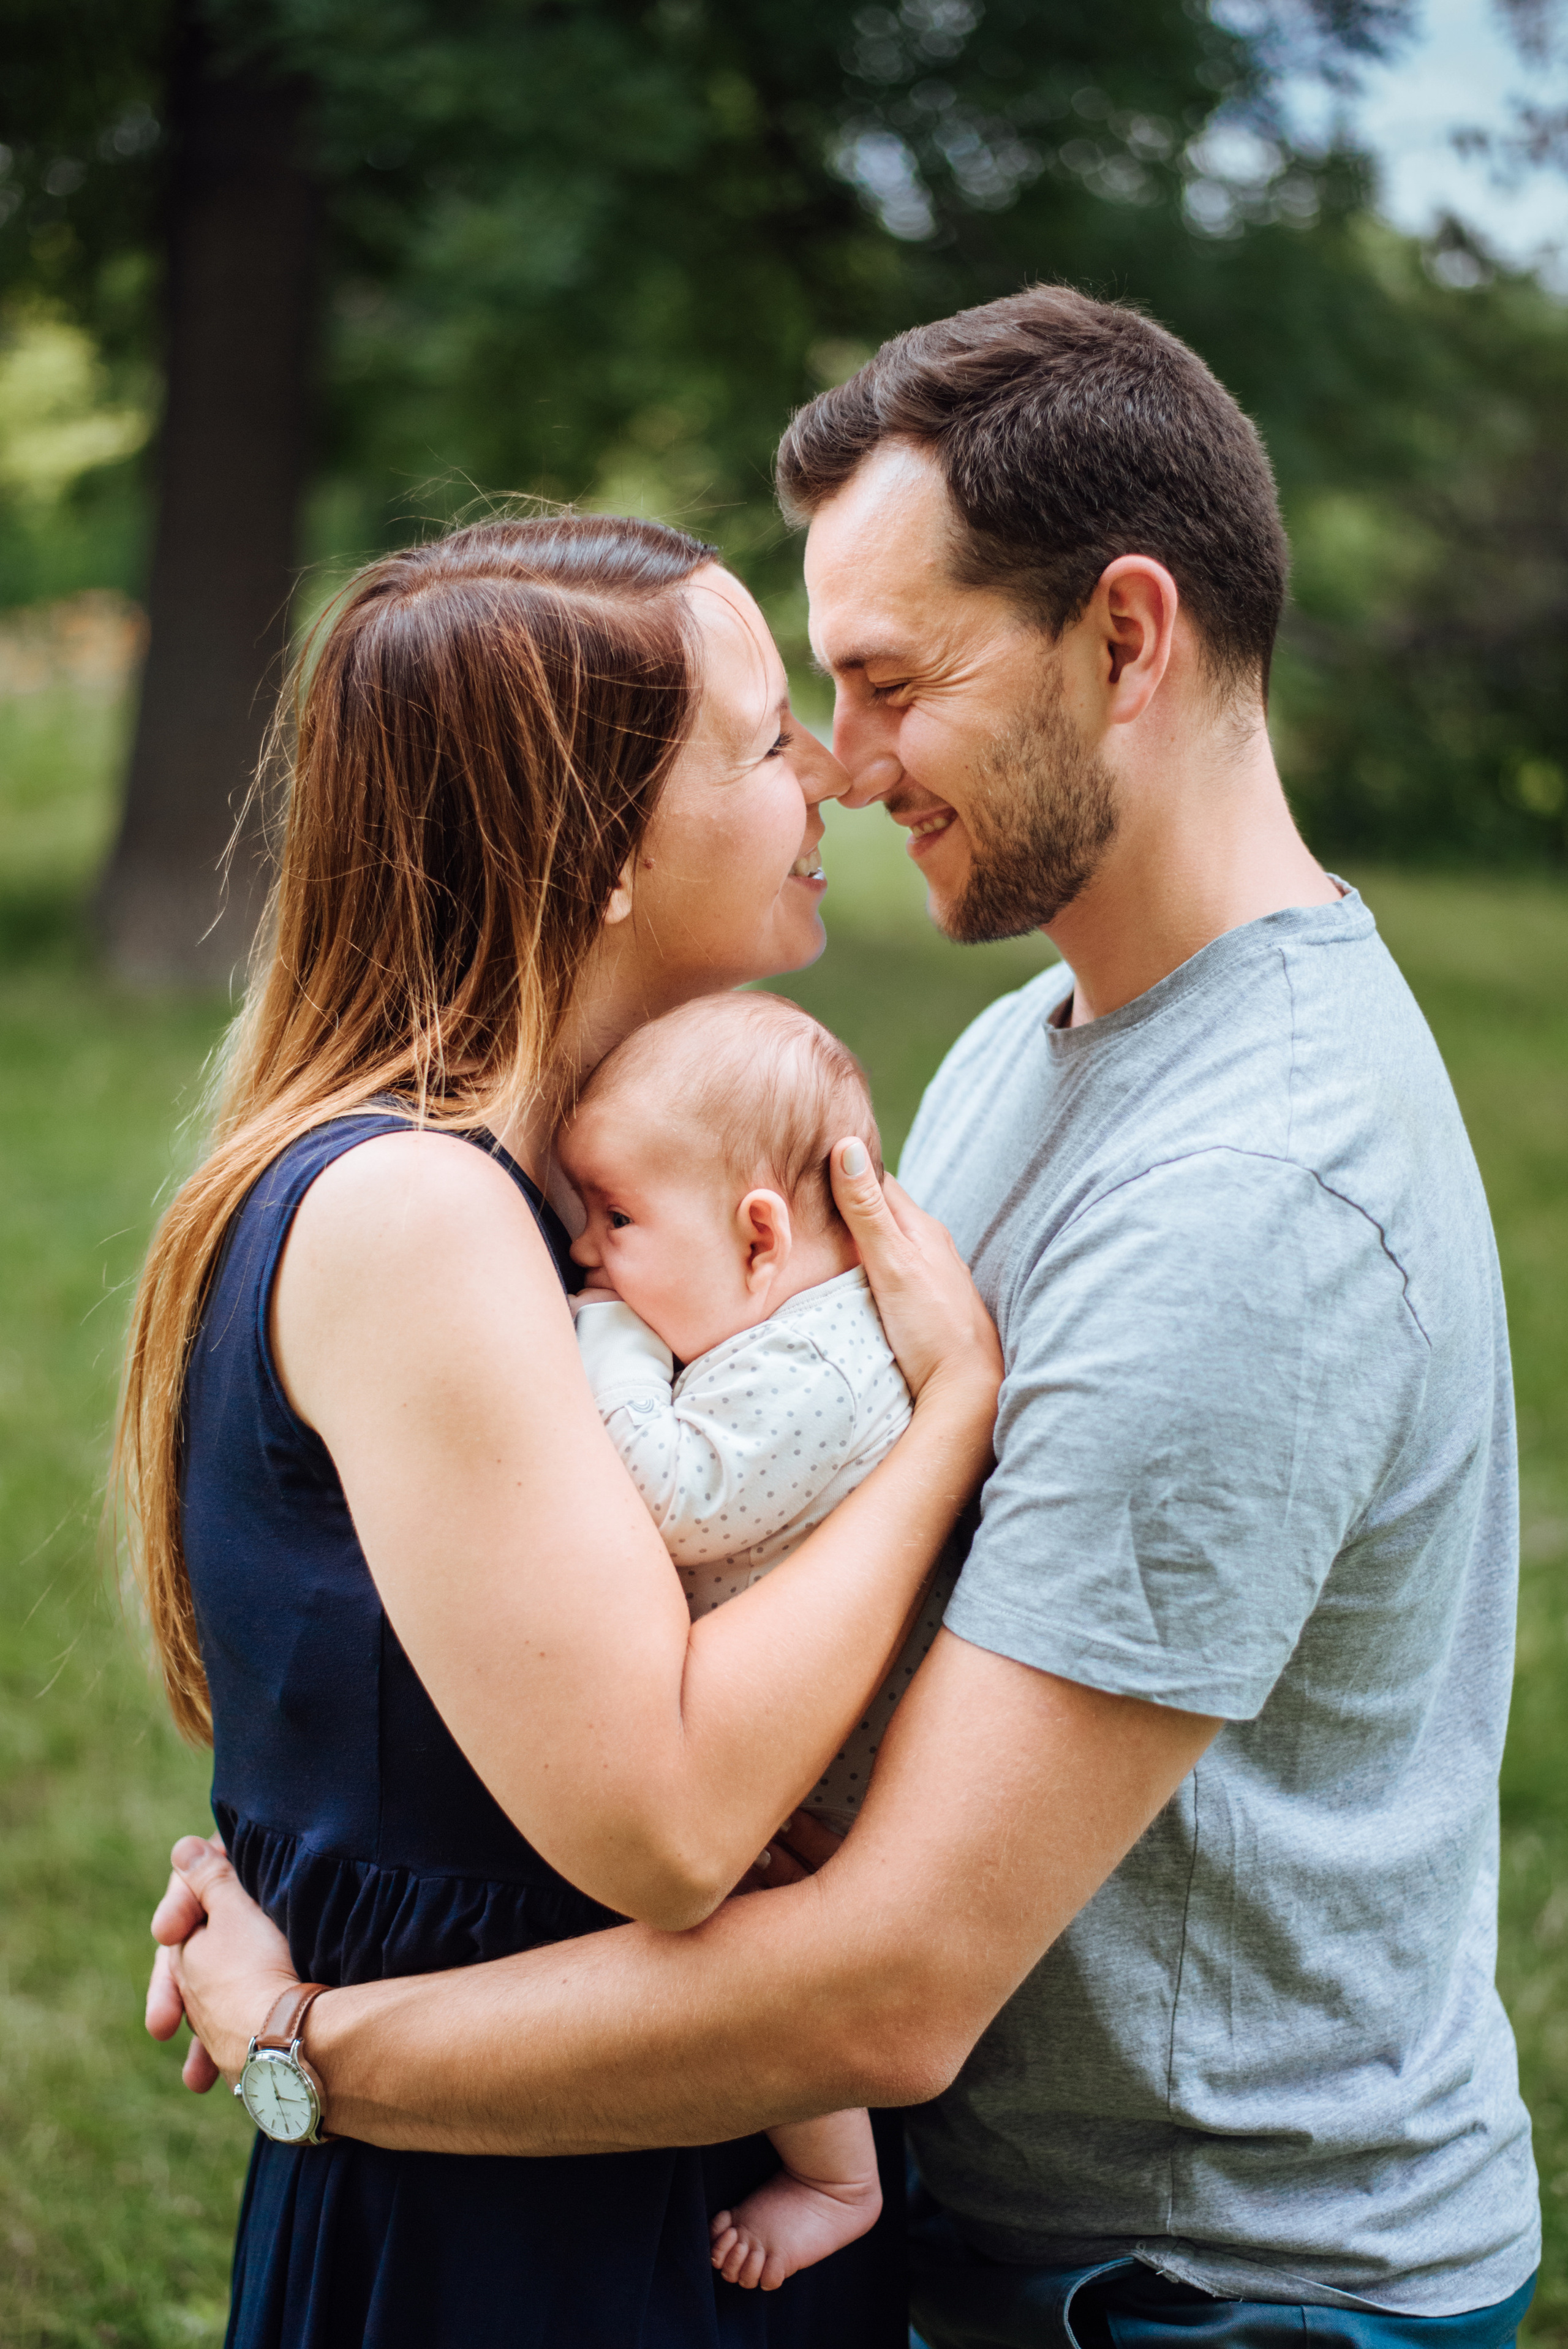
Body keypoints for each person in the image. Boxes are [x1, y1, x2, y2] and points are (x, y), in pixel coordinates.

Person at [150, 289, 1540, 2349]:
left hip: (1199, 2288)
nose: (851, 762)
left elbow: (886, 1974)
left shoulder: (1262, 1195)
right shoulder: (1013, 1056)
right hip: (967, 2240)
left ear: (1129, 639)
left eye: (891, 681)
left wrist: (316, 2039)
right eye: (801, 706)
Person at [116, 512, 1001, 2348]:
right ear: (594, 849)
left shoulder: (519, 1201)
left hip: (611, 2152)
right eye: (765, 742)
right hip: (531, 2247)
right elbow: (670, 1825)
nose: (828, 771)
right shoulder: (420, 1215)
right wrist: (948, 1428)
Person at [562, 989, 952, 2292]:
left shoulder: (820, 1374)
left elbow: (673, 1496)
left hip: (836, 1810)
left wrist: (600, 1335)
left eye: (616, 1219)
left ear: (758, 1236)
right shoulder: (770, 1327)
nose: (587, 1250)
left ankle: (840, 2181)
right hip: (794, 1762)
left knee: (769, 1950)